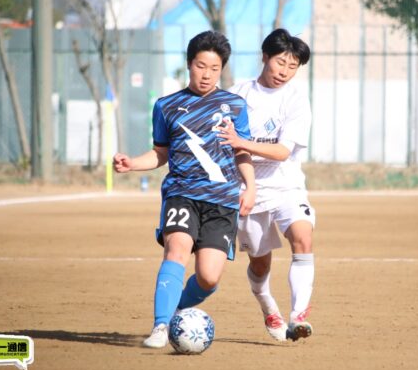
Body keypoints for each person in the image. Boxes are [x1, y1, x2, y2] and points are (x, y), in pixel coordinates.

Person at [113, 31, 256, 348]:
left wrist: (251, 186)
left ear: (222, 70)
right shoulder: (166, 106)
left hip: (222, 201)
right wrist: (132, 163)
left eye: (214, 68)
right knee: (176, 250)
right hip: (182, 194)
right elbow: (160, 153)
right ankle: (161, 326)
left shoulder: (235, 106)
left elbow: (241, 151)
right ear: (189, 64)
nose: (206, 74)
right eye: (201, 66)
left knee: (209, 277)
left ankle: (175, 308)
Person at [217, 28, 315, 341]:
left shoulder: (296, 99)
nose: (285, 71)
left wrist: (242, 141)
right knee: (260, 264)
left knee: (303, 237)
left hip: (286, 185)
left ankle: (298, 316)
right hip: (248, 190)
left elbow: (283, 152)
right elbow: (226, 144)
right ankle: (267, 305)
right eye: (280, 62)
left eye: (293, 66)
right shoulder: (237, 95)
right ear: (265, 57)